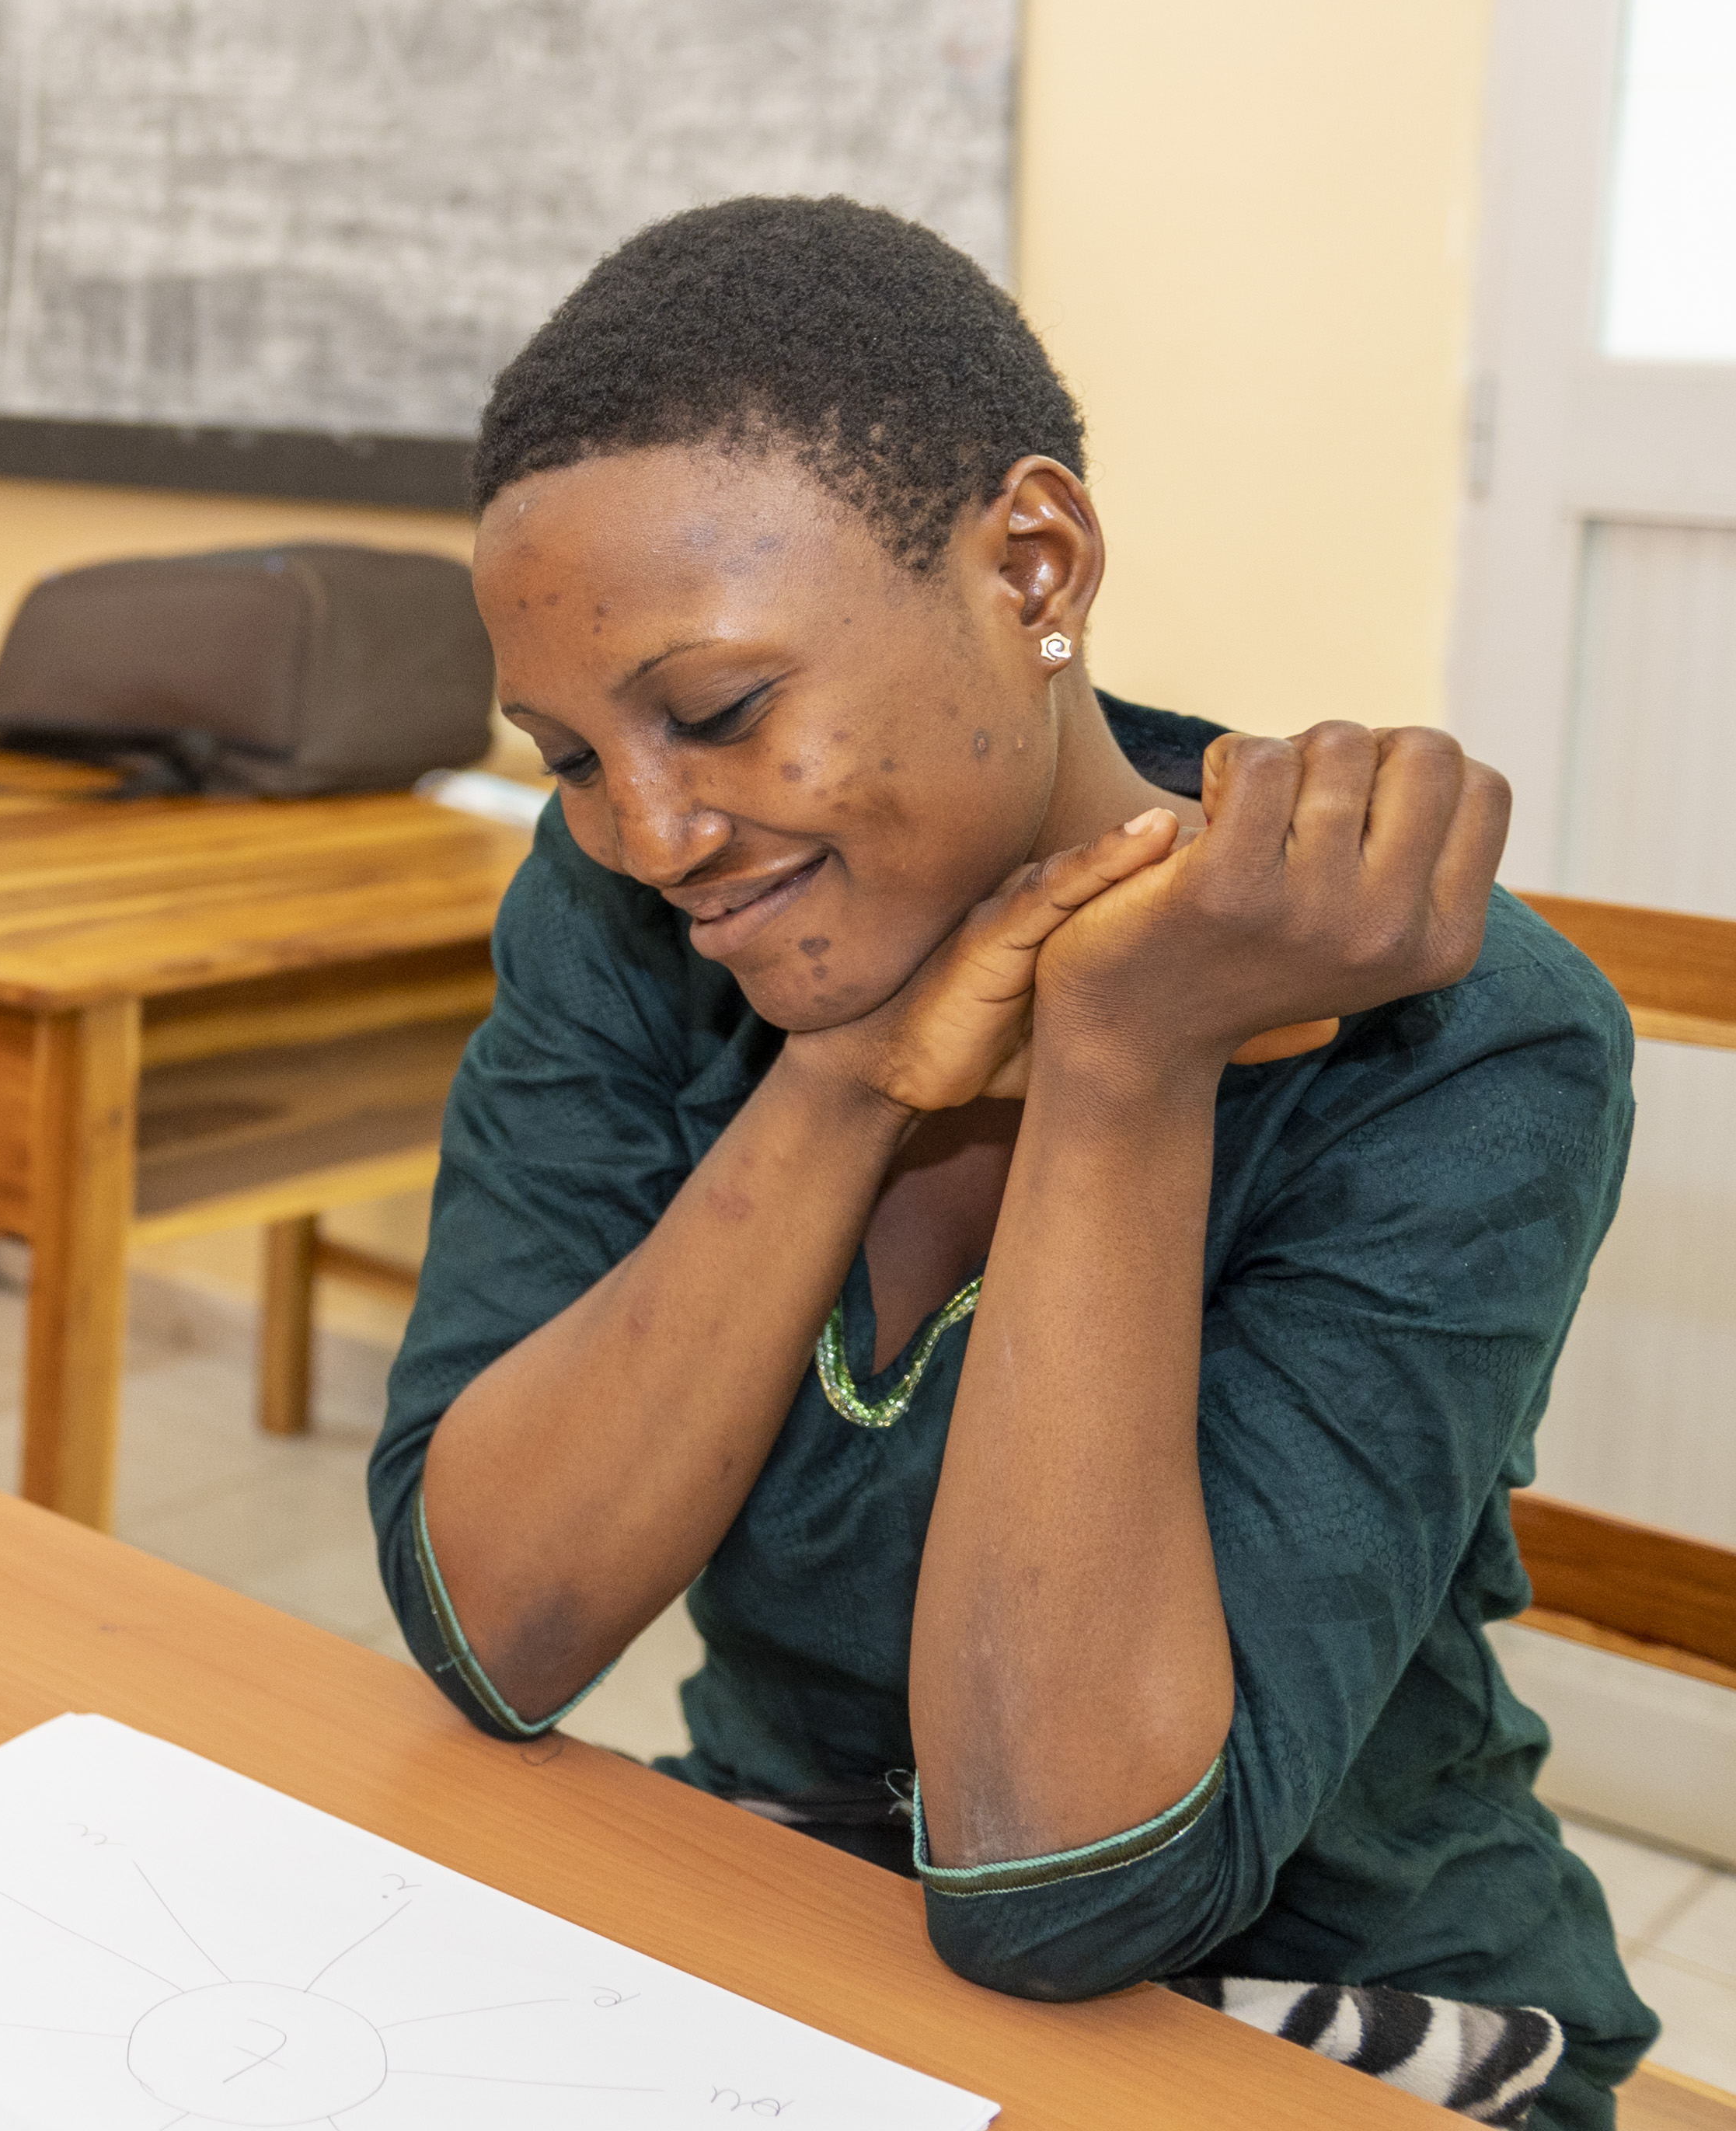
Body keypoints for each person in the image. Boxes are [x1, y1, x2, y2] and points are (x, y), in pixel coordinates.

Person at [371, 196, 1655, 2129]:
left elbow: (1065, 1885)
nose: (647, 830)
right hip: (793, 1923)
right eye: (569, 752)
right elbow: (498, 1622)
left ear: (1033, 564)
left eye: (719, 711)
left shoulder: (1454, 1039)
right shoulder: (630, 914)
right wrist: (850, 1082)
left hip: (1321, 2024)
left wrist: (1131, 1062)